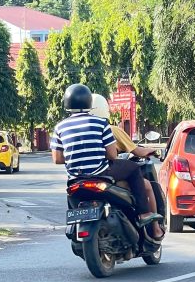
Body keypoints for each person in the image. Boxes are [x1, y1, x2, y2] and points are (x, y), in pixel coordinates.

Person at [52, 84, 163, 240]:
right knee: (133, 168)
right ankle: (144, 213)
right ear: (88, 102)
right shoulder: (100, 123)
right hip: (100, 173)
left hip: (75, 178)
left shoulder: (59, 127)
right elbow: (112, 155)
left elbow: (57, 159)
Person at [90, 93, 164, 239]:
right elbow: (136, 151)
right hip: (107, 173)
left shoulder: (81, 128)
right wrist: (152, 151)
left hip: (81, 176)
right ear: (104, 109)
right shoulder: (109, 129)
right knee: (147, 185)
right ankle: (154, 227)